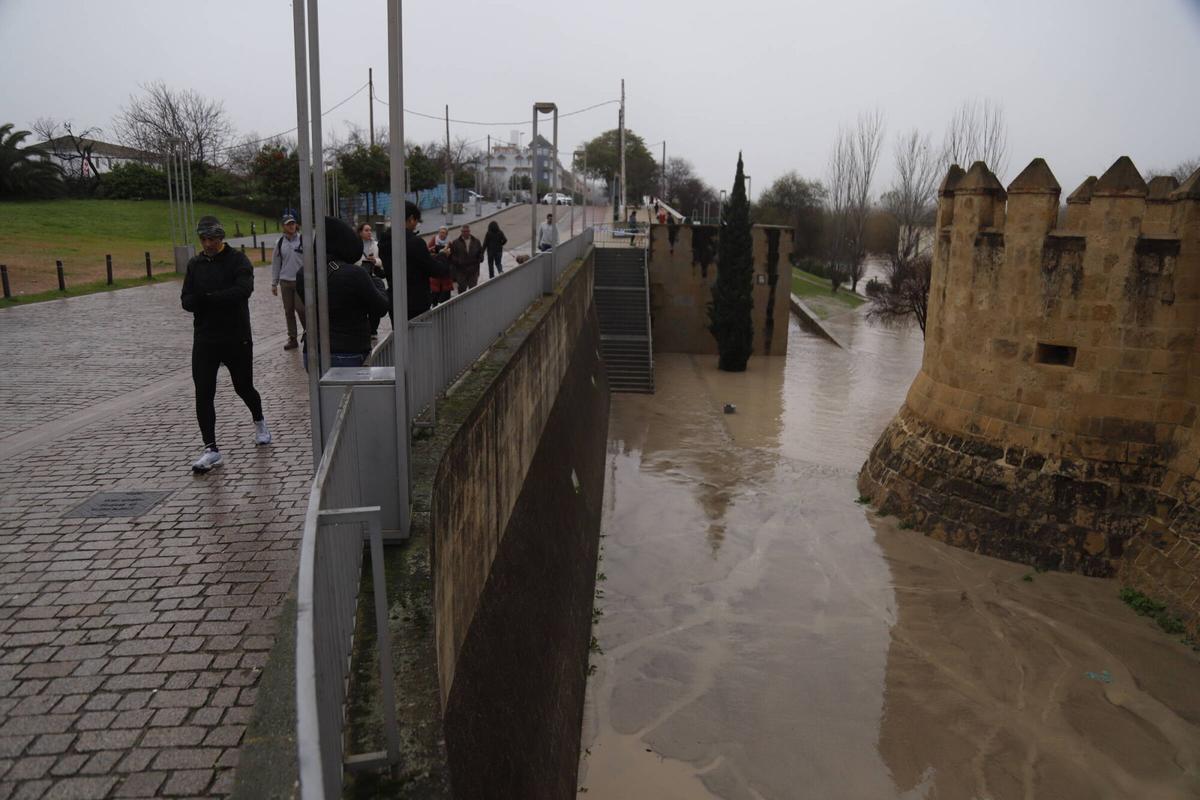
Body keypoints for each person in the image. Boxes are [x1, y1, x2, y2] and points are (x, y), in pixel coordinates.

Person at [181, 215, 270, 474]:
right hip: (206, 337)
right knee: (203, 391)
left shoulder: (238, 260)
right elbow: (186, 298)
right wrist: (197, 302)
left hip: (236, 335)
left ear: (221, 238)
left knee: (243, 386)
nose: (207, 243)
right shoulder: (195, 265)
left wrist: (206, 299)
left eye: (212, 239)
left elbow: (242, 291)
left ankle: (260, 421)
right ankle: (211, 448)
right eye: (203, 239)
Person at [295, 216, 391, 368]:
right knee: (349, 392)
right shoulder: (354, 274)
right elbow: (381, 308)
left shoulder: (303, 274)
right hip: (349, 350)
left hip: (314, 350)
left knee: (320, 391)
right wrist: (377, 283)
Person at [377, 201, 456, 320]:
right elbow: (436, 270)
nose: (416, 226)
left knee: (400, 337)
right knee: (418, 338)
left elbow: (409, 261)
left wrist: (426, 255)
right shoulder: (415, 242)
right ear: (411, 218)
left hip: (395, 303)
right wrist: (443, 255)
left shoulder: (384, 242)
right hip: (416, 304)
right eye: (416, 221)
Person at [270, 212, 304, 350]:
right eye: (288, 224)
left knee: (301, 309)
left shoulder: (303, 240)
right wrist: (274, 283)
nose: (291, 226)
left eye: (293, 223)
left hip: (301, 281)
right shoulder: (279, 243)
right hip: (285, 281)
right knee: (288, 310)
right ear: (283, 226)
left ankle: (310, 334)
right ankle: (292, 338)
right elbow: (276, 263)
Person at [449, 223, 484, 293]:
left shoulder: (476, 241)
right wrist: (458, 262)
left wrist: (480, 259)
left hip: (473, 271)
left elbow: (480, 253)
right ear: (461, 232)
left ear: (469, 231)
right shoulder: (456, 242)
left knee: (473, 291)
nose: (465, 233)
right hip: (461, 271)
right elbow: (452, 256)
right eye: (463, 231)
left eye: (466, 231)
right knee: (462, 291)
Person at [428, 226, 454, 305]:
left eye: (444, 233)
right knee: (434, 301)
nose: (442, 234)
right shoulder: (434, 240)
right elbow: (427, 253)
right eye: (441, 232)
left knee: (445, 302)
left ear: (446, 234)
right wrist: (435, 252)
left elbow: (453, 258)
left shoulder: (449, 243)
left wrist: (449, 254)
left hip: (445, 276)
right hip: (435, 277)